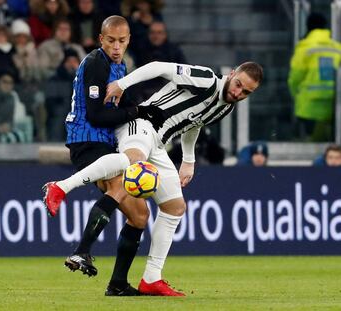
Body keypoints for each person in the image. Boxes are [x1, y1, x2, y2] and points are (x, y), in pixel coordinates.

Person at [44, 60, 263, 295]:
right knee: (133, 161)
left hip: (158, 144)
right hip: (140, 124)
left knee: (175, 207)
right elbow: (159, 67)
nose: (238, 92)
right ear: (231, 74)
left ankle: (151, 278)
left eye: (246, 92)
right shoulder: (206, 79)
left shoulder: (225, 107)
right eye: (238, 84)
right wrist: (122, 84)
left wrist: (188, 160)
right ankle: (60, 187)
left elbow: (195, 123)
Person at [43, 15, 150, 296]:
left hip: (105, 143)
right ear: (101, 40)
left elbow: (122, 106)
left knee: (140, 216)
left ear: (128, 41)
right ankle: (81, 252)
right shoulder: (96, 63)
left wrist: (142, 110)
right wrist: (134, 112)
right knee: (117, 186)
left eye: (122, 41)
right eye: (111, 41)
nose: (117, 47)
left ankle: (117, 284)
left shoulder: (120, 65)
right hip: (86, 140)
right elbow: (97, 114)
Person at [288, 12, 341, 142]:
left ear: (308, 26)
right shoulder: (337, 48)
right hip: (333, 102)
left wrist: (295, 94)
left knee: (310, 141)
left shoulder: (304, 47)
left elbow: (296, 77)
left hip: (309, 104)